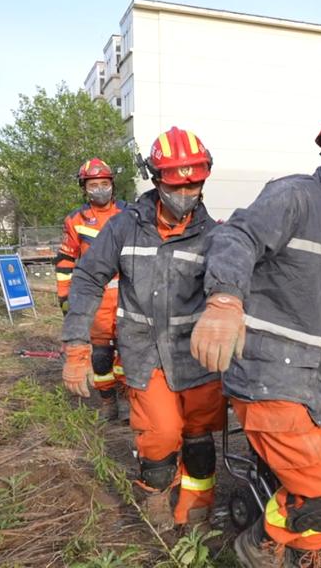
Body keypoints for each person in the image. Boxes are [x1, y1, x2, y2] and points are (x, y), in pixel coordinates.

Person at [189, 99, 321, 567]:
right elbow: (235, 237)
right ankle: (262, 548)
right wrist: (224, 299)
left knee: (312, 482)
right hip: (269, 377)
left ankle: (296, 552)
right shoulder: (295, 196)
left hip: (311, 383)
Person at [61, 127, 224, 532]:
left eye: (195, 183)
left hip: (198, 356)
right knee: (161, 434)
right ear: (156, 180)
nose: (186, 191)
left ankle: (197, 504)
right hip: (145, 351)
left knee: (200, 437)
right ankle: (155, 495)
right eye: (177, 183)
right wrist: (77, 345)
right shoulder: (124, 226)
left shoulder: (216, 234)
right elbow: (85, 279)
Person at [55, 159, 128, 421]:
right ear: (84, 188)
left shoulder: (128, 214)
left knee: (129, 350)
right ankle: (108, 402)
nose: (100, 189)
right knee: (101, 357)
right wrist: (65, 298)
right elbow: (65, 263)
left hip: (128, 300)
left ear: (112, 185)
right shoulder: (76, 221)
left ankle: (128, 397)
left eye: (104, 184)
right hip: (96, 302)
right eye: (93, 185)